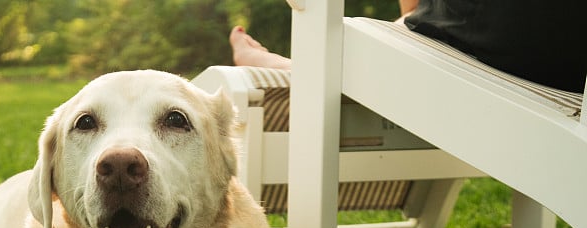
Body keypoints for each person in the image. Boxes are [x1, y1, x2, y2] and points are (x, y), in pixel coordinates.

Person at [229, 0, 587, 92]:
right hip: (572, 66)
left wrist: (412, 17)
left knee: (386, 43)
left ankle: (284, 64)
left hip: (504, 39)